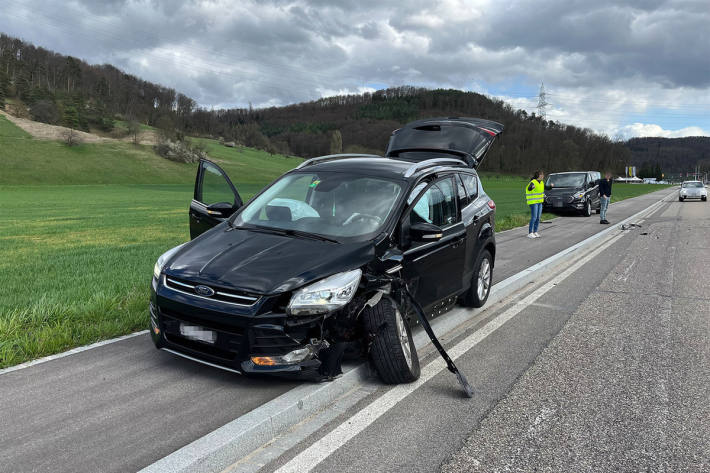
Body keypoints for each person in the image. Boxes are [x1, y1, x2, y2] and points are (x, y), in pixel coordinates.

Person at [525, 170, 545, 238]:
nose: (543, 176)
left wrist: (550, 186)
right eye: (542, 174)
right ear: (538, 176)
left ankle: (535, 232)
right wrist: (531, 187)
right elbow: (529, 188)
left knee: (538, 218)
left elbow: (545, 189)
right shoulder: (533, 182)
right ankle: (530, 233)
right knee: (534, 217)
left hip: (539, 202)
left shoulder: (541, 183)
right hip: (533, 203)